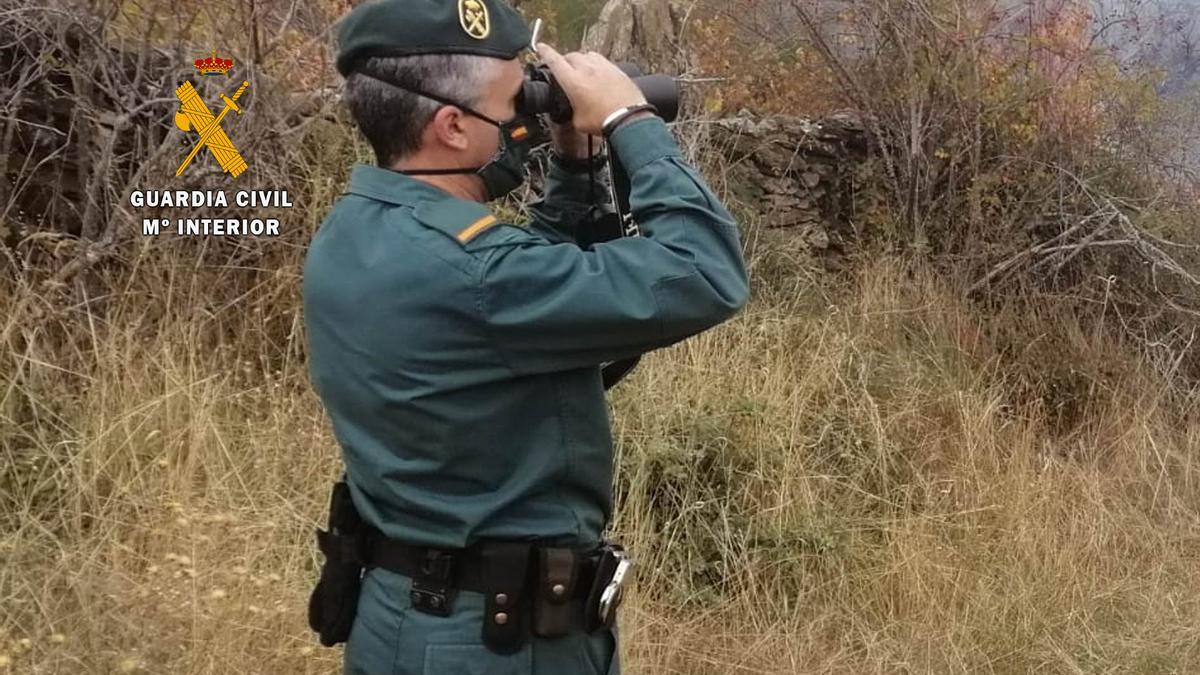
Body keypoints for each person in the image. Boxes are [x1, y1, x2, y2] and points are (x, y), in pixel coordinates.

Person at [301, 0, 750, 673]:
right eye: (516, 101)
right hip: (495, 644)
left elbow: (509, 301)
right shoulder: (474, 273)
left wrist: (573, 162)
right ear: (451, 126)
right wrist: (631, 119)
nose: (526, 121)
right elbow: (704, 272)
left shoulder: (356, 230)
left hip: (398, 613)